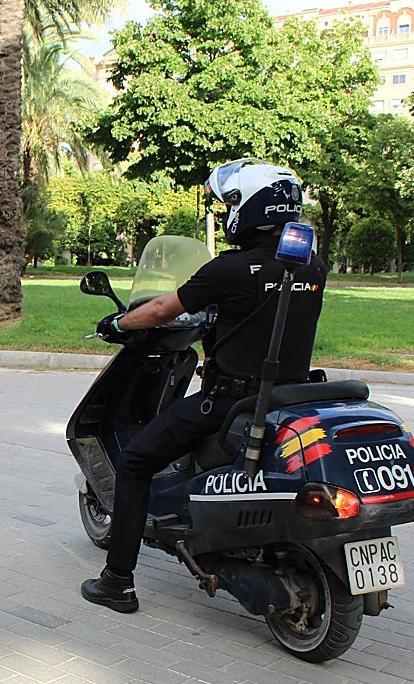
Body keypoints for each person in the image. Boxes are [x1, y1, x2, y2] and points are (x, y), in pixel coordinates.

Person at [81, 159, 328, 614]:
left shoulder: (230, 270)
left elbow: (160, 310)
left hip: (231, 403)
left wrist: (117, 322)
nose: (229, 211)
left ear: (252, 208)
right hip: (289, 398)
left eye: (233, 203)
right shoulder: (313, 266)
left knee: (135, 461)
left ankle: (117, 582)